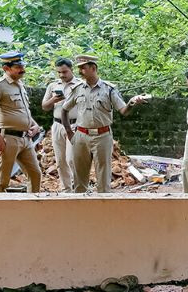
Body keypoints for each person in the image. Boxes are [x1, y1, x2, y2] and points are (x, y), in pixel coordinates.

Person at [61, 55, 146, 193]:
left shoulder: (108, 89)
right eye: (79, 68)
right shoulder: (77, 89)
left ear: (93, 68)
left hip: (102, 136)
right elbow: (64, 110)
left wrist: (131, 103)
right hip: (81, 136)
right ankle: (80, 210)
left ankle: (102, 209)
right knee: (79, 179)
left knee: (103, 178)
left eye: (83, 68)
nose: (80, 71)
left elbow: (123, 111)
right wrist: (70, 133)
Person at [0, 51, 43, 193]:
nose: (22, 70)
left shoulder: (20, 85)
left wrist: (34, 125)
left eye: (22, 65)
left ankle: (32, 211)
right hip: (7, 139)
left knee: (35, 174)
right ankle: (0, 213)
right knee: (2, 181)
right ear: (6, 69)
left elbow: (22, 111)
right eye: (18, 67)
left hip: (25, 139)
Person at [41, 58, 82, 192]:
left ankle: (79, 188)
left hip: (75, 125)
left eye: (64, 72)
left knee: (72, 159)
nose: (62, 75)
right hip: (57, 125)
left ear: (72, 70)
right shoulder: (53, 86)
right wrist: (54, 99)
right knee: (60, 161)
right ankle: (66, 189)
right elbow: (44, 107)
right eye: (59, 72)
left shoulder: (80, 85)